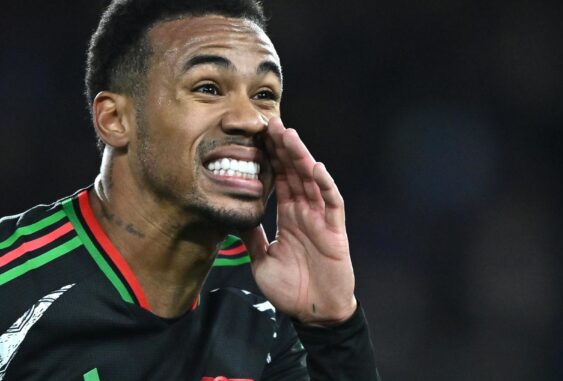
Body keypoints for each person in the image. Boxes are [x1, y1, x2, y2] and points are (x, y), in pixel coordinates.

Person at [0, 0, 379, 379]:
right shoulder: (12, 283)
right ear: (115, 119)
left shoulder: (267, 298)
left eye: (265, 94)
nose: (250, 119)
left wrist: (333, 328)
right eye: (209, 88)